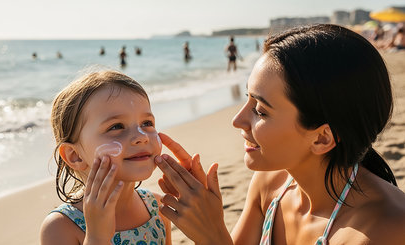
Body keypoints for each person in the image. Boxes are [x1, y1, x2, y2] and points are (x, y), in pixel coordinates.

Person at [154, 24, 405, 244]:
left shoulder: (385, 231)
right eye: (247, 98)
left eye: (261, 111)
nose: (237, 120)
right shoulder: (271, 185)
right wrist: (205, 217)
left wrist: (211, 236)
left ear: (322, 138)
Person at [40, 70, 172, 245]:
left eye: (146, 123)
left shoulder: (157, 207)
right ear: (75, 156)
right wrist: (96, 238)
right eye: (117, 126)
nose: (142, 136)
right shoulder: (61, 227)